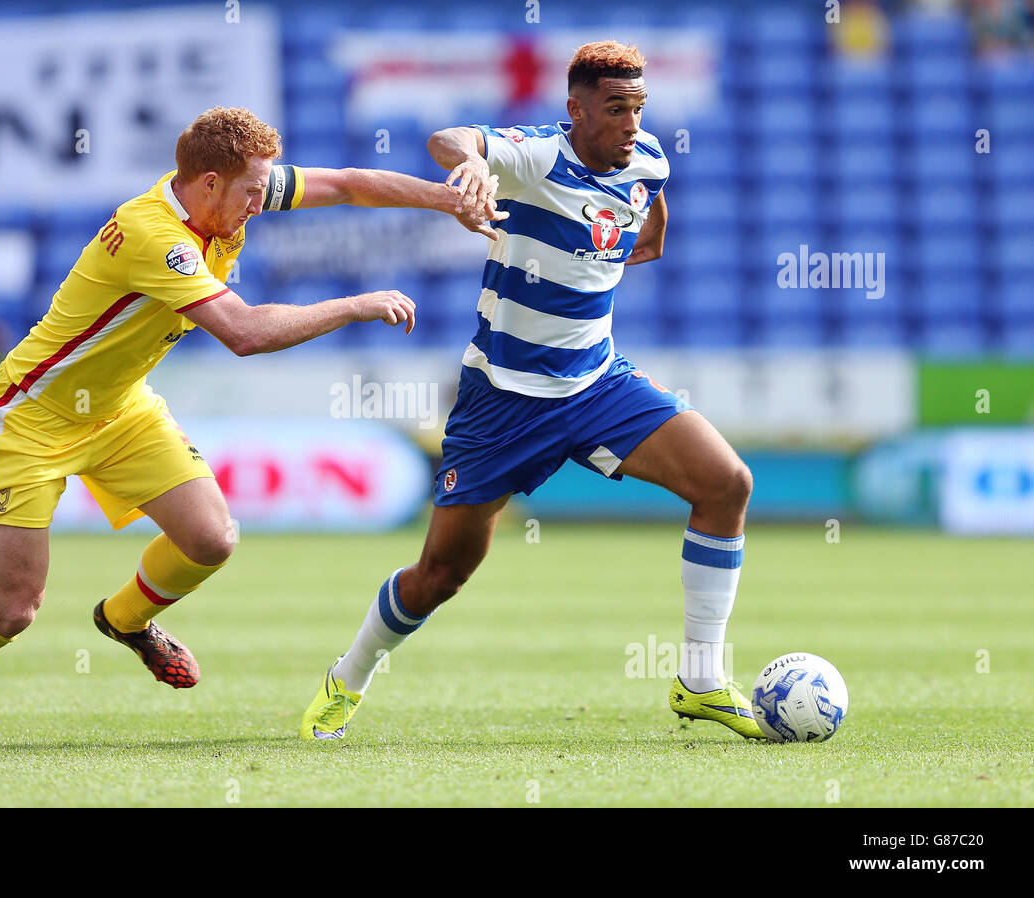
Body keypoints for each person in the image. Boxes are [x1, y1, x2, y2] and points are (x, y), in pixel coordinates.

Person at [0, 106, 496, 746]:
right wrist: (355, 304)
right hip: (34, 418)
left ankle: (125, 620)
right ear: (208, 182)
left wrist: (446, 200)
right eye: (251, 193)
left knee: (211, 540)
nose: (260, 205)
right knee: (14, 610)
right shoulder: (157, 235)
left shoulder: (234, 191)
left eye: (265, 190)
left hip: (121, 407)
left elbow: (347, 183)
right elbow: (242, 332)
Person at [300, 41, 764, 741]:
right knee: (441, 574)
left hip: (596, 383)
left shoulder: (648, 158)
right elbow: (446, 139)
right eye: (615, 110)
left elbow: (650, 206)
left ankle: (699, 680)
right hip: (502, 400)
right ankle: (351, 674)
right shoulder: (538, 156)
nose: (632, 123)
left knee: (727, 483)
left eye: (638, 107)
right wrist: (477, 167)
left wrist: (646, 238)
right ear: (575, 111)